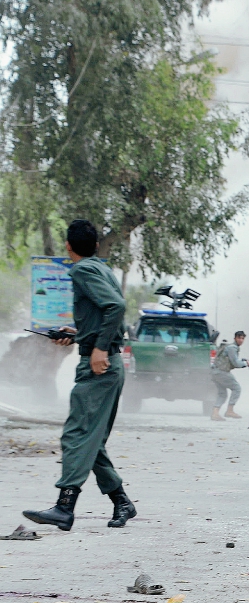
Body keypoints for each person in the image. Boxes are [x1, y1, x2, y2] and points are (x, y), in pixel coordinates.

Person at [22, 219, 135, 531]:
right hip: (107, 363)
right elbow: (106, 313)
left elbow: (115, 306)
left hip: (99, 366)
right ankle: (121, 501)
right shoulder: (102, 269)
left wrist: (98, 349)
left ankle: (64, 507)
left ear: (68, 246)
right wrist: (77, 334)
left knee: (76, 435)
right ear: (96, 246)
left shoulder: (82, 270)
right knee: (91, 439)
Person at [211, 331, 249, 421]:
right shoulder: (232, 348)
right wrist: (246, 363)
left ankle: (215, 413)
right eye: (239, 338)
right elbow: (235, 363)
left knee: (222, 394)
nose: (241, 340)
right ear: (235, 338)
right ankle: (230, 410)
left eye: (243, 338)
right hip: (221, 372)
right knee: (236, 388)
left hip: (215, 372)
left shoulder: (229, 347)